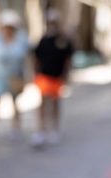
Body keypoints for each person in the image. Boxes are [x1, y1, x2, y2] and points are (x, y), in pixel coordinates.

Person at [0, 10, 28, 149]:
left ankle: (16, 129)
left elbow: (27, 58)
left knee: (15, 103)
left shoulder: (21, 40)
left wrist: (28, 76)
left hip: (15, 76)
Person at [32, 9, 73, 146]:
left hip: (57, 78)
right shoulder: (44, 40)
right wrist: (35, 73)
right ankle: (41, 130)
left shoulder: (64, 40)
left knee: (55, 103)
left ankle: (54, 128)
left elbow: (68, 60)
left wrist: (67, 76)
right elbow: (36, 57)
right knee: (43, 102)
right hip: (44, 77)